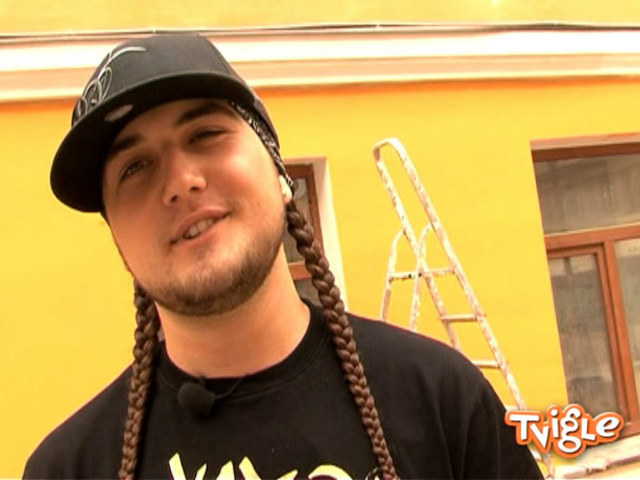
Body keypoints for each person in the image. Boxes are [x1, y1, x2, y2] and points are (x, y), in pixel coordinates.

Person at [23, 33, 542, 480]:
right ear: (116, 237)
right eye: (134, 167)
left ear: (279, 171)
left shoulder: (441, 402)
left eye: (205, 134)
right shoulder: (67, 469)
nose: (181, 181)